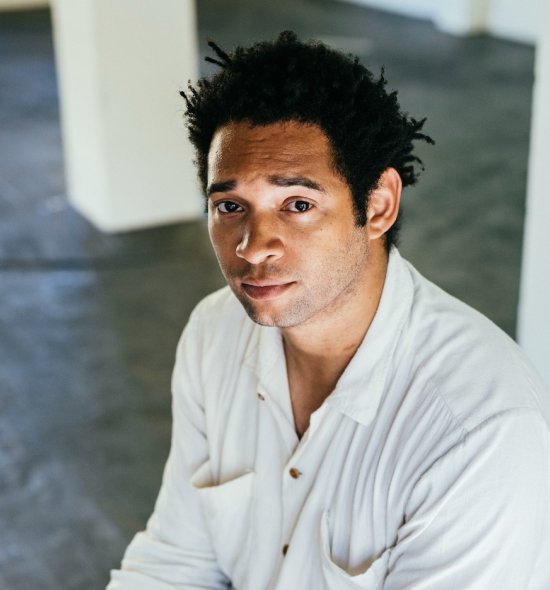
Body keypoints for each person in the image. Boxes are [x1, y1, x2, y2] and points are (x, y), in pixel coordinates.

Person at [108, 31, 550, 589]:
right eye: (230, 206)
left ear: (379, 205)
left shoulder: (481, 433)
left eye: (297, 204)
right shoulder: (214, 332)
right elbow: (177, 560)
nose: (252, 245)